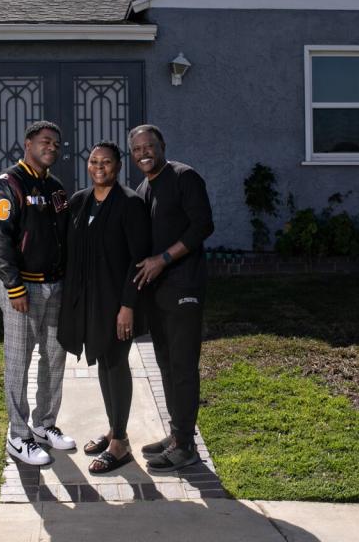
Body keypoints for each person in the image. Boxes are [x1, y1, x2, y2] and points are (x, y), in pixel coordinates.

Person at [58, 141, 151, 474]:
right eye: (94, 161)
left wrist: (128, 306)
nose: (99, 167)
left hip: (118, 300)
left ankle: (121, 442)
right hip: (90, 300)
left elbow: (139, 260)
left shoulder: (130, 204)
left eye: (107, 162)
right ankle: (114, 428)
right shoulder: (79, 201)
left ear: (118, 166)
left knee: (116, 362)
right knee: (102, 359)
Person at [0, 120, 76, 465]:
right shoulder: (7, 184)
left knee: (54, 357)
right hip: (22, 287)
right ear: (27, 144)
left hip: (55, 285)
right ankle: (19, 435)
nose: (51, 147)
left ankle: (45, 425)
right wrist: (14, 286)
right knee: (19, 359)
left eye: (56, 143)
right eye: (44, 141)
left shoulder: (56, 188)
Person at [129, 124, 214, 472]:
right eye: (137, 149)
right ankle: (179, 433)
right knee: (165, 363)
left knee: (181, 365)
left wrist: (163, 259)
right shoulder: (144, 187)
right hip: (157, 292)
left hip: (183, 286)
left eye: (149, 146)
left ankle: (185, 447)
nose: (144, 152)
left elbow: (202, 226)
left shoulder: (184, 177)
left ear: (162, 145)